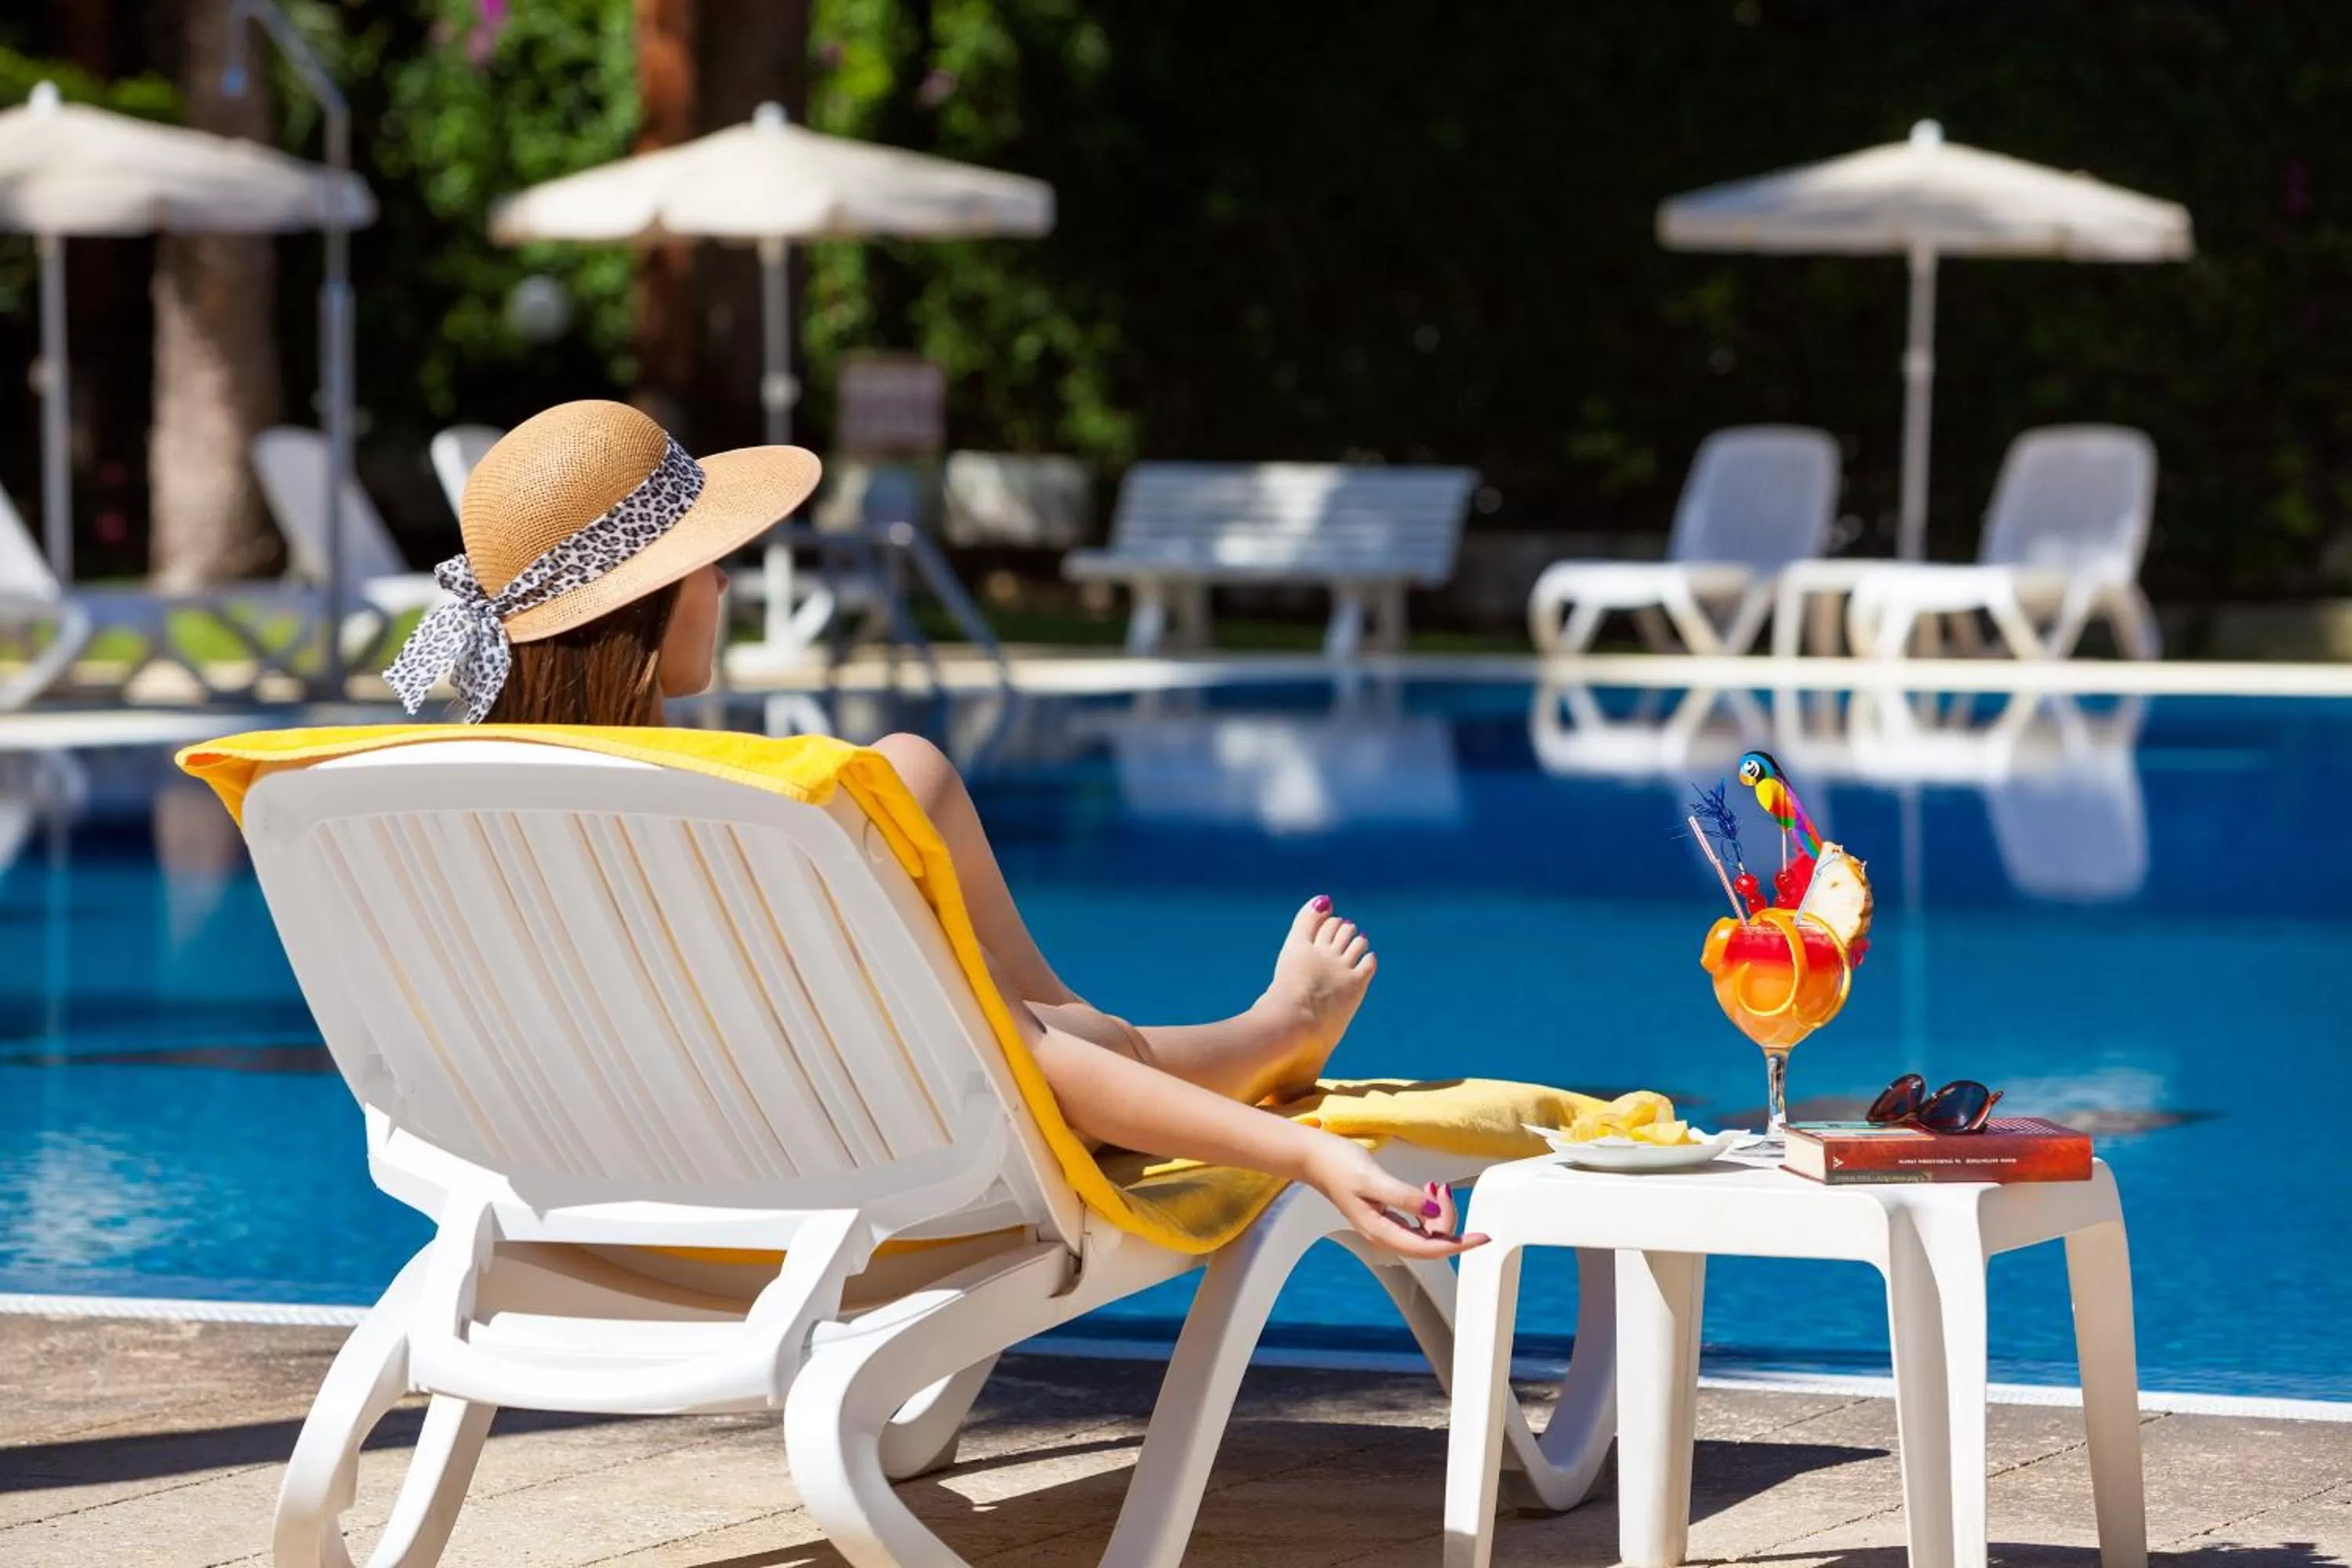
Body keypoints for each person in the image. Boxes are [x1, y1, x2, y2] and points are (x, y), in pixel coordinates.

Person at [385, 401, 1483, 1259]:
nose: (724, 577)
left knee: (909, 779)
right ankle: (1274, 1032)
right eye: (705, 559)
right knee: (1066, 1045)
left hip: (583, 1177)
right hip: (829, 1175)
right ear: (652, 596)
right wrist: (1302, 1153)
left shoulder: (442, 819)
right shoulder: (737, 822)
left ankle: (1191, 1026)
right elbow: (1024, 1076)